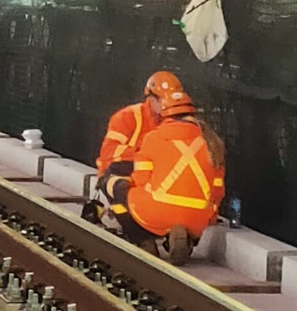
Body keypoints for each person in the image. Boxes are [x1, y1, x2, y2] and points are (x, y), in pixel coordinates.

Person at [94, 75, 227, 264]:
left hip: (155, 206)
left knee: (116, 186)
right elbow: (217, 189)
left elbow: (140, 180)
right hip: (198, 219)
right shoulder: (212, 142)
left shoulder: (156, 137)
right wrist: (210, 215)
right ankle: (185, 239)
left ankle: (142, 240)